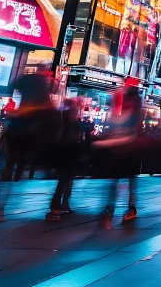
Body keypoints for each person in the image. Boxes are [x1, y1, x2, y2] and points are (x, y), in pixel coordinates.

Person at [0, 71, 61, 222]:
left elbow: (14, 85)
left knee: (9, 165)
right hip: (34, 121)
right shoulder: (44, 101)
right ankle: (47, 162)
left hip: (22, 120)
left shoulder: (28, 82)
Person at [95, 82, 143, 229]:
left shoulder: (131, 115)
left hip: (125, 152)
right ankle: (122, 208)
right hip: (125, 152)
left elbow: (126, 132)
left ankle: (113, 210)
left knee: (120, 181)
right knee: (126, 181)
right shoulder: (129, 114)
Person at [45, 98, 85, 221]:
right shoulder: (70, 122)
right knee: (65, 180)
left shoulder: (63, 120)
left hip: (66, 153)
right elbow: (73, 138)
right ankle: (57, 205)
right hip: (68, 153)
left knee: (65, 180)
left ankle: (61, 204)